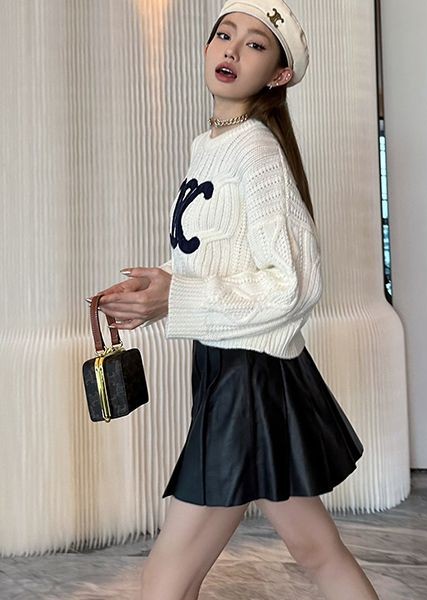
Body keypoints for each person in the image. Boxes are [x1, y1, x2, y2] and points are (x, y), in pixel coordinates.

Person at [89, 1, 378, 598]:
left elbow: (292, 284)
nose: (232, 49)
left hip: (247, 379)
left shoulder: (256, 151)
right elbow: (216, 254)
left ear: (279, 74)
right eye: (224, 35)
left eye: (255, 44)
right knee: (317, 551)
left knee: (167, 577)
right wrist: (157, 284)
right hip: (239, 372)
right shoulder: (212, 144)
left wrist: (176, 298)